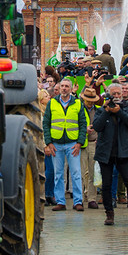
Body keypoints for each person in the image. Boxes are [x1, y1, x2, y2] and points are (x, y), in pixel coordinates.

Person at [93, 82, 128, 225]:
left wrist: (119, 111)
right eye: (113, 94)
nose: (116, 96)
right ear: (108, 95)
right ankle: (109, 214)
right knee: (106, 185)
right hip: (105, 153)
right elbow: (97, 126)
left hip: (123, 152)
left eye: (118, 94)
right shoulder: (102, 110)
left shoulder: (127, 107)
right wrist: (107, 111)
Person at [42, 79, 88, 212]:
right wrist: (49, 142)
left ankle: (78, 202)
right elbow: (46, 123)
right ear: (59, 88)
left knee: (76, 173)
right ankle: (60, 201)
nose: (64, 88)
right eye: (62, 86)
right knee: (58, 174)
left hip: (73, 144)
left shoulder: (78, 103)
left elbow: (83, 124)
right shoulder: (52, 103)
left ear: (71, 88)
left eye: (67, 86)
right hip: (56, 144)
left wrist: (79, 143)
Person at [79, 86, 102, 209]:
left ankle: (92, 198)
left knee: (93, 172)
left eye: (91, 100)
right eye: (87, 99)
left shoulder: (99, 110)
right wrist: (83, 130)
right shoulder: (79, 109)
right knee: (82, 172)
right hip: (81, 143)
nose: (89, 102)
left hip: (94, 142)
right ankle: (80, 198)